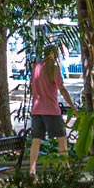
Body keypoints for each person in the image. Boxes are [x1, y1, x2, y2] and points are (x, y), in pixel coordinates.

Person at [26, 43, 75, 178]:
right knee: (62, 139)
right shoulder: (54, 68)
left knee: (36, 140)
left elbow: (32, 87)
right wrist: (73, 106)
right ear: (54, 54)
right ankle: (66, 169)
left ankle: (32, 170)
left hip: (37, 110)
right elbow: (62, 89)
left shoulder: (36, 67)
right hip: (52, 110)